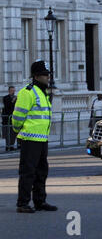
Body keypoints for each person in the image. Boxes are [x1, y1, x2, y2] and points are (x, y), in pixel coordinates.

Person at [12, 61, 57, 213]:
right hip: (30, 139)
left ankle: (40, 201)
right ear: (36, 76)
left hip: (42, 139)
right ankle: (23, 203)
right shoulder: (28, 92)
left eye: (48, 74)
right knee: (28, 172)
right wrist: (18, 130)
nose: (48, 77)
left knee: (41, 171)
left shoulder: (43, 92)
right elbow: (17, 116)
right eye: (45, 74)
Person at [2, 86, 17, 151]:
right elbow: (7, 106)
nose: (12, 92)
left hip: (14, 118)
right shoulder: (6, 98)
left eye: (13, 90)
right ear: (9, 91)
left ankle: (11, 146)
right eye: (11, 90)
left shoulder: (16, 98)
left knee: (13, 133)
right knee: (7, 133)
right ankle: (7, 146)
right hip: (7, 118)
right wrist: (12, 101)